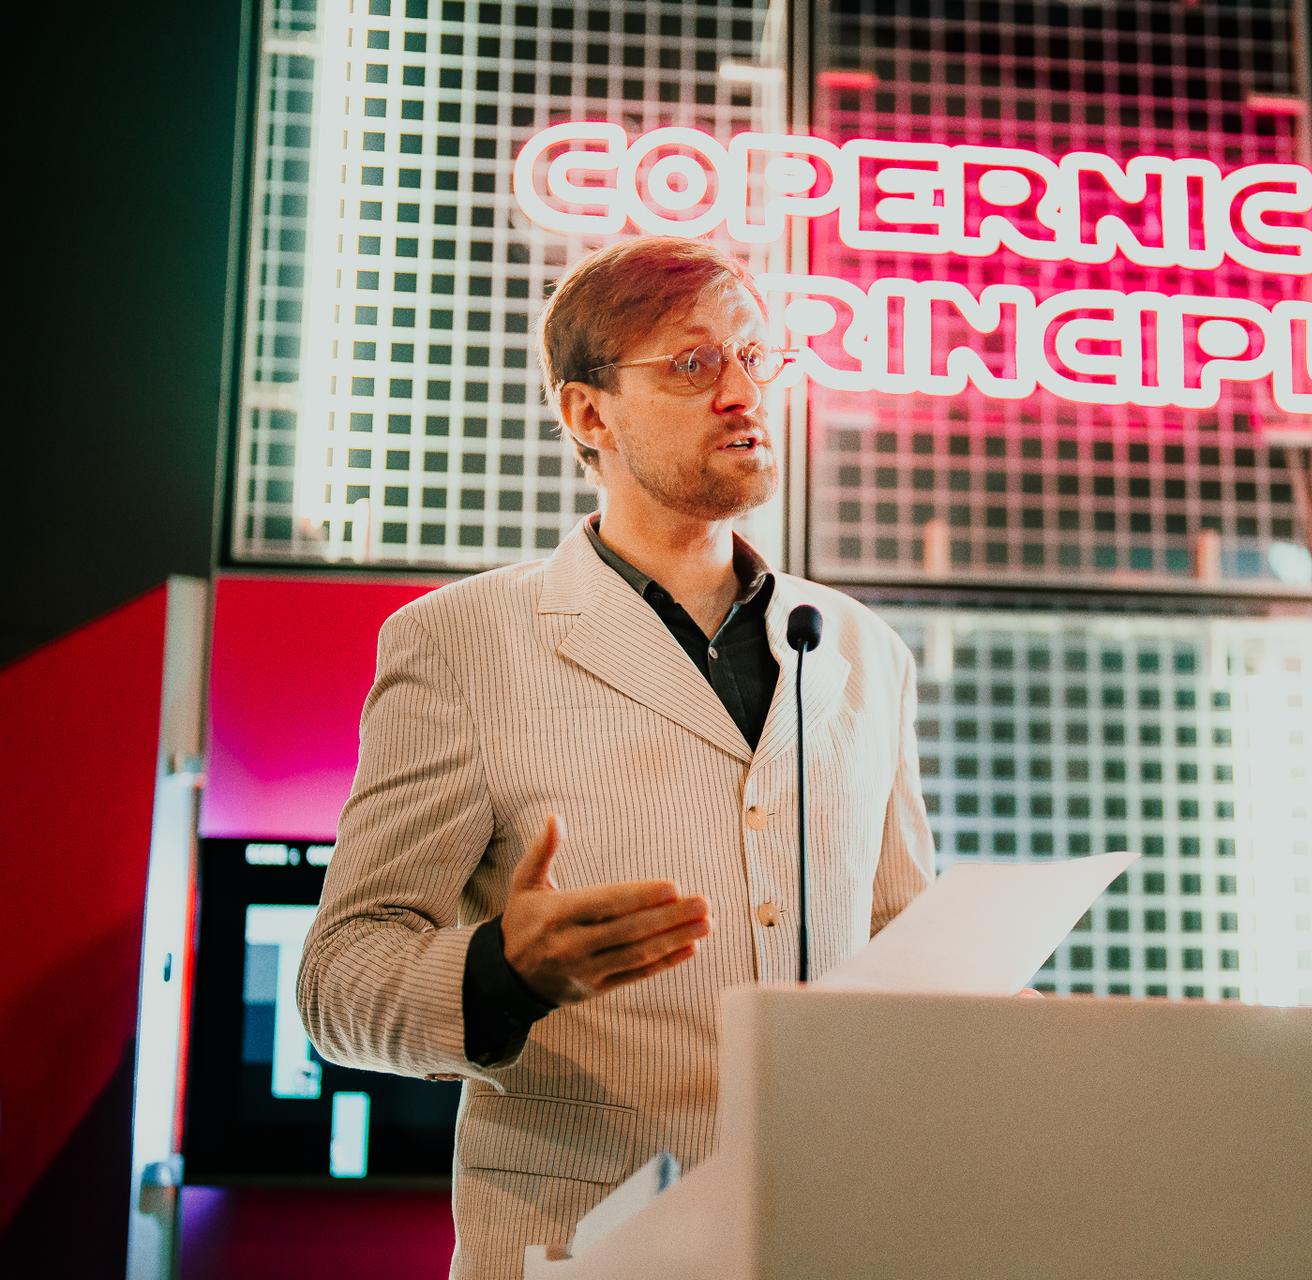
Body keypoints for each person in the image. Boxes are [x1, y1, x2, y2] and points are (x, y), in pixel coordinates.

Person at [296, 235, 936, 1280]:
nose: (742, 392)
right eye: (692, 363)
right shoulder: (459, 642)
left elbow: (908, 946)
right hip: (580, 1247)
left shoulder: (862, 648)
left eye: (754, 356)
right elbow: (338, 982)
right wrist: (502, 971)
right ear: (588, 414)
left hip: (835, 1239)